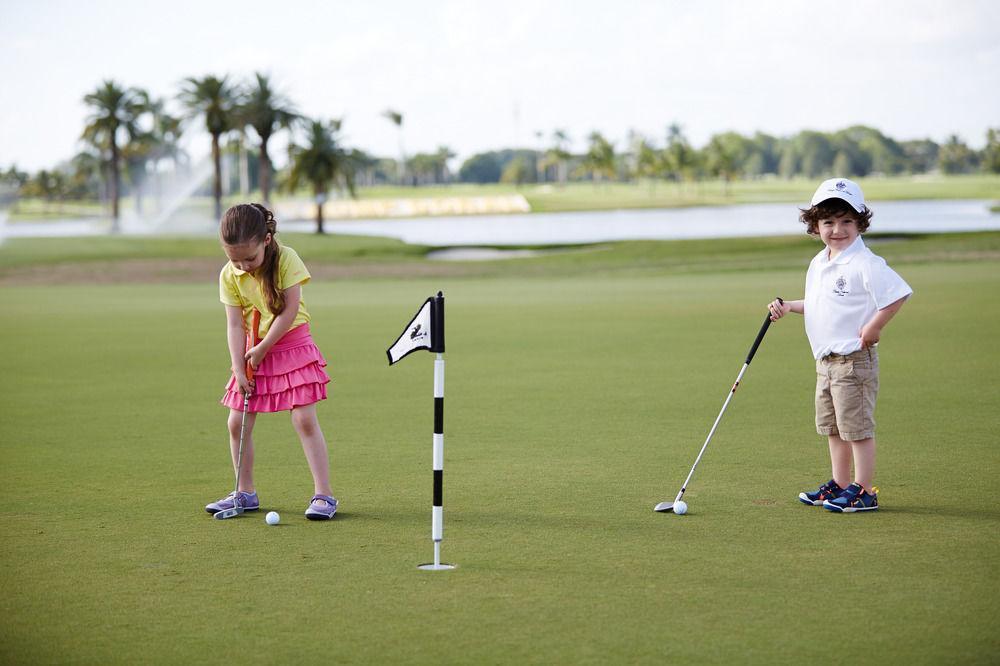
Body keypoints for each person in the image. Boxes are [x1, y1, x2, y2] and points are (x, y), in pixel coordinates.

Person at [768, 178, 912, 513]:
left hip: (853, 360)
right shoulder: (821, 262)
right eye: (829, 221)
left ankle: (864, 490)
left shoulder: (865, 263)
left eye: (847, 221)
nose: (837, 229)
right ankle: (841, 483)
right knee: (833, 428)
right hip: (826, 361)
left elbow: (898, 294)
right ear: (815, 224)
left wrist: (874, 327)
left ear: (860, 222)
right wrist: (789, 305)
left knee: (856, 429)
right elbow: (821, 303)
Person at [205, 203, 338, 520]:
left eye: (249, 258)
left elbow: (290, 309)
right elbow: (234, 324)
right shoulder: (230, 273)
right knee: (236, 423)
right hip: (252, 351)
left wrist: (264, 347)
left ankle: (324, 496)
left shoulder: (286, 259)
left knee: (303, 419)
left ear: (266, 239)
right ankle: (245, 493)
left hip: (291, 344)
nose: (243, 266)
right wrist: (238, 366)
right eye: (234, 259)